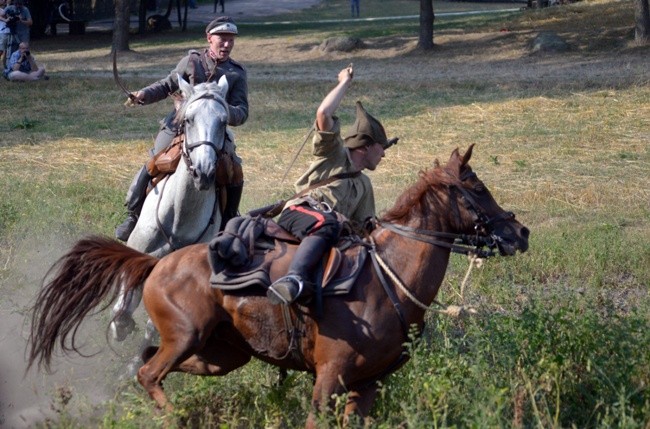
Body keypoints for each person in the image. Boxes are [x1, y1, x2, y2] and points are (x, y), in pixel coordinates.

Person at [266, 65, 397, 305]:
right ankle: (292, 280)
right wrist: (344, 82)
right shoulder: (333, 154)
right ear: (366, 146)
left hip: (329, 229)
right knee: (327, 223)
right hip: (299, 214)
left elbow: (365, 228)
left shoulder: (364, 184)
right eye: (382, 147)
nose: (384, 155)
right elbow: (324, 113)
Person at [116, 16, 248, 241]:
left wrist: (223, 110)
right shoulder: (191, 61)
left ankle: (227, 222)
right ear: (209, 39)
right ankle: (133, 215)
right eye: (222, 39)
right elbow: (167, 85)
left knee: (233, 170)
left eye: (231, 40)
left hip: (214, 130)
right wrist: (143, 95)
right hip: (180, 125)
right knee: (155, 160)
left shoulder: (236, 72)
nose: (227, 45)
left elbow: (242, 111)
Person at [0, 0, 11, 68]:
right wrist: (8, 5)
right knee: (1, 50)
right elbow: (3, 14)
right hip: (2, 32)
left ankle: (6, 65)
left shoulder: (7, 8)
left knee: (7, 50)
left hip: (8, 31)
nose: (3, 0)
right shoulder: (5, 9)